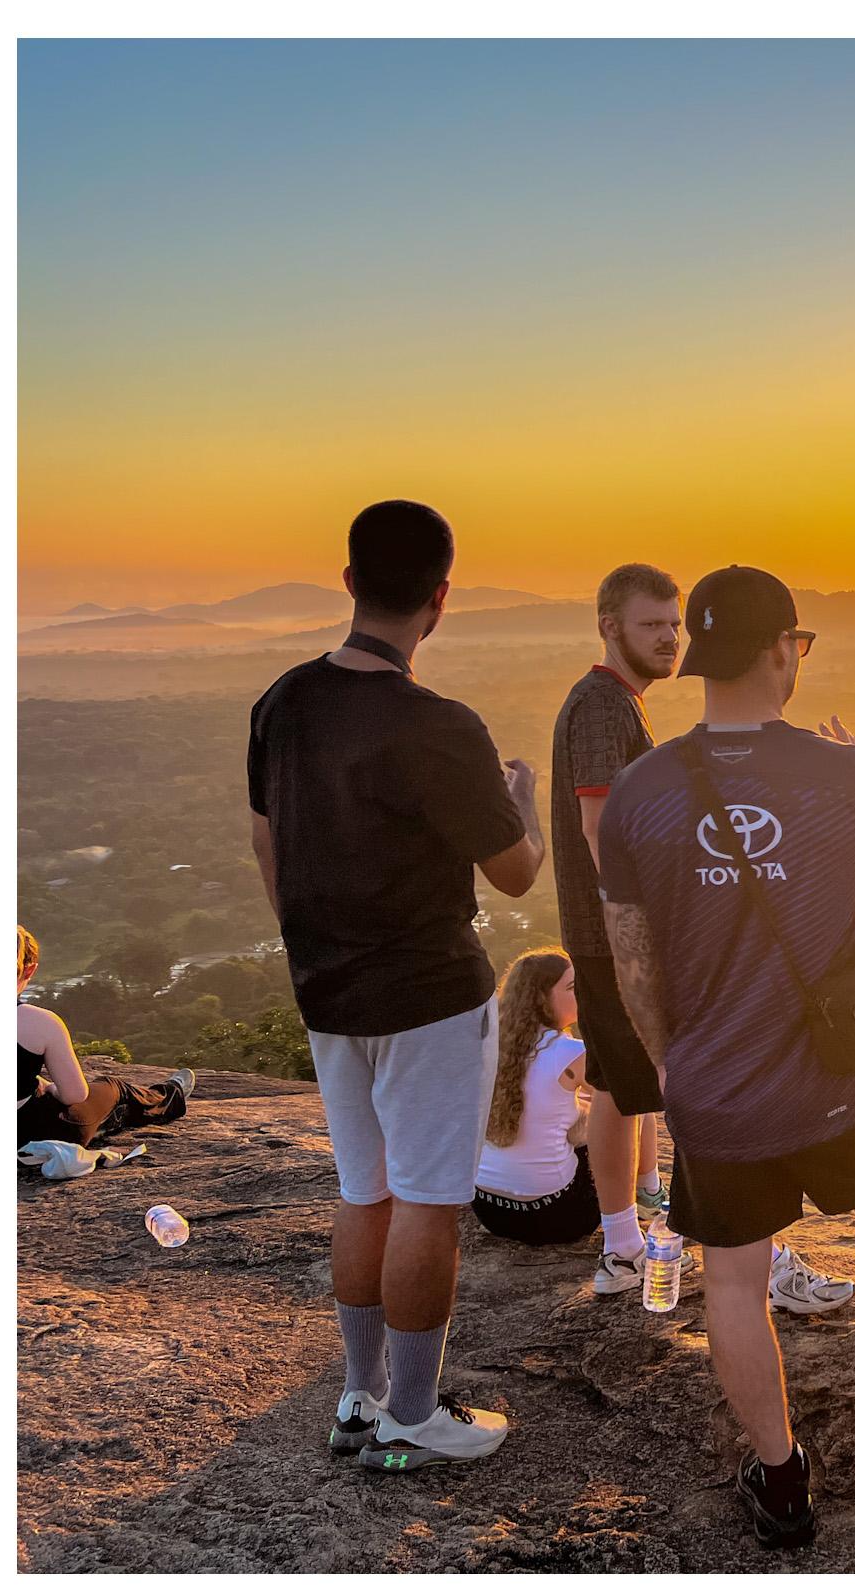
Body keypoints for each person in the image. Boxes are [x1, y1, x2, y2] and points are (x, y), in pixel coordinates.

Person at [598, 564, 855, 1549]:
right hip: (836, 1079)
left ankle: (778, 1479)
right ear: (783, 652)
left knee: (732, 1278)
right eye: (798, 647)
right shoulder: (840, 772)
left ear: (696, 659)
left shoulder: (643, 787)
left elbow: (630, 958)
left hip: (715, 1093)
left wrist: (673, 1068)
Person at [248, 499, 546, 1472]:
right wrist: (523, 803)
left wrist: (312, 942)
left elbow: (269, 845)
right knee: (424, 1201)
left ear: (348, 582)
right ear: (440, 599)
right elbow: (514, 872)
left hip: (326, 989)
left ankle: (357, 1394)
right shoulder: (439, 725)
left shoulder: (282, 704)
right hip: (426, 995)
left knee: (362, 1189)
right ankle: (412, 1414)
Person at [552, 561, 854, 1316]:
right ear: (608, 626)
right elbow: (600, 832)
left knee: (626, 1091)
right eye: (652, 624)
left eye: (674, 624)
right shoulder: (601, 707)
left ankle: (630, 1243)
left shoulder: (619, 705)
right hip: (625, 941)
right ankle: (731, 1250)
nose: (668, 638)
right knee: (697, 1088)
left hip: (610, 939)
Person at [16, 925, 192, 1145]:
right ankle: (171, 1095)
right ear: (29, 970)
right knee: (112, 1087)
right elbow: (74, 1095)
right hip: (28, 1134)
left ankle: (111, 1120)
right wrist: (50, 1087)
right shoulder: (41, 1022)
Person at [470, 949, 598, 1246]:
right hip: (556, 1217)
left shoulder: (489, 1045)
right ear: (542, 998)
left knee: (580, 1109)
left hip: (488, 1210)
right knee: (626, 1108)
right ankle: (648, 1191)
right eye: (571, 987)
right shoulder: (571, 1053)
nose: (582, 993)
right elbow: (622, 1102)